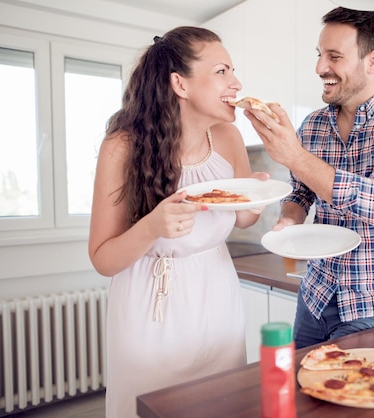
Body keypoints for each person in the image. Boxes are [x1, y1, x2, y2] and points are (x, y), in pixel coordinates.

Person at [88, 26, 266, 417]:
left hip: (218, 300)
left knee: (223, 406)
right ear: (180, 84)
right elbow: (103, 258)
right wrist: (152, 226)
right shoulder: (122, 146)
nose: (236, 82)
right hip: (150, 310)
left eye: (233, 71)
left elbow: (242, 219)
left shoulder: (229, 137)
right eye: (222, 71)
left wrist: (257, 196)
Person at [243, 8, 374, 349]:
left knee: (356, 400)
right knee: (302, 394)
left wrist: (294, 155)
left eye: (334, 56)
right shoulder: (314, 124)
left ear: (372, 60)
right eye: (320, 55)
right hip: (316, 295)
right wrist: (290, 217)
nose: (320, 68)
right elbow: (302, 192)